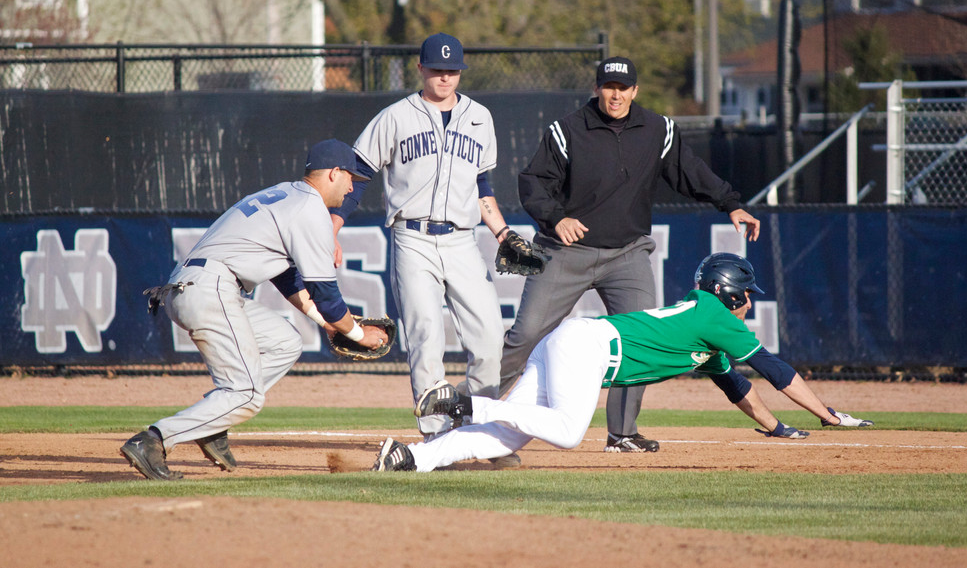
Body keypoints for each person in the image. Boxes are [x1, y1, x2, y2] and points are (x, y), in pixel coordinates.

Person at [371, 253, 872, 472]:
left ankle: (411, 457)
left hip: (575, 342)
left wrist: (778, 428)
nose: (746, 306)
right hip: (588, 349)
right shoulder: (716, 314)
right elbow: (775, 369)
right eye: (744, 297)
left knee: (510, 436)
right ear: (729, 293)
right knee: (567, 432)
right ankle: (467, 405)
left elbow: (737, 386)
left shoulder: (705, 322)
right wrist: (828, 414)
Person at [499, 56, 761, 454]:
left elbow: (690, 172)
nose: (615, 94)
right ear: (597, 89)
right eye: (608, 87)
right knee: (527, 334)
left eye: (623, 88)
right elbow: (533, 182)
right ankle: (465, 410)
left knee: (641, 339)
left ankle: (622, 433)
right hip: (566, 251)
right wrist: (556, 218)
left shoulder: (657, 129)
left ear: (635, 91)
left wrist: (731, 204)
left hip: (627, 253)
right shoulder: (567, 130)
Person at [120, 139, 389, 480]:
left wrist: (326, 323)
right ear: (334, 173)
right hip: (211, 290)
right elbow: (326, 293)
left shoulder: (286, 194)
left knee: (285, 341)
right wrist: (358, 333)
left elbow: (288, 277)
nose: (352, 187)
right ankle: (154, 440)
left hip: (196, 286)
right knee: (246, 394)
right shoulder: (310, 210)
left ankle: (214, 423)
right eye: (350, 178)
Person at [329, 33, 515, 444]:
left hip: (463, 239)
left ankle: (478, 429)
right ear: (421, 69)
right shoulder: (395, 116)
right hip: (412, 238)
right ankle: (437, 438)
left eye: (452, 70)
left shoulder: (481, 117)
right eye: (437, 70)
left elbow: (482, 184)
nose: (445, 77)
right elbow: (358, 175)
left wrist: (501, 231)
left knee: (488, 341)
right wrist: (335, 223)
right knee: (426, 339)